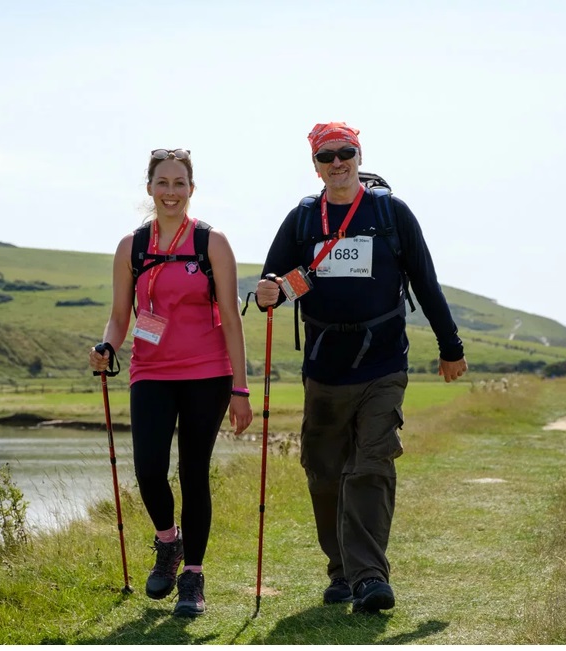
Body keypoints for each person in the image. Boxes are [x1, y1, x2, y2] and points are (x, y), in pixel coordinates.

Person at [253, 122, 468, 615]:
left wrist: (450, 347)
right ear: (315, 165)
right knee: (325, 472)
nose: (337, 162)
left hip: (383, 361)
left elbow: (427, 283)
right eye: (326, 156)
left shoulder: (390, 213)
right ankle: (341, 572)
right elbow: (273, 281)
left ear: (358, 154)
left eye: (344, 152)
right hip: (324, 365)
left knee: (372, 464)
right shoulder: (303, 219)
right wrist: (268, 292)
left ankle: (370, 577)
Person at [88, 147, 253, 617]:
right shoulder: (132, 247)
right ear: (149, 189)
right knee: (148, 470)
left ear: (191, 190)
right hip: (151, 372)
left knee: (193, 471)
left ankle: (193, 578)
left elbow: (233, 323)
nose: (171, 191)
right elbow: (120, 317)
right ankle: (168, 542)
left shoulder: (211, 243)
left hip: (208, 372)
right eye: (163, 182)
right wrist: (106, 347)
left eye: (180, 183)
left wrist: (241, 388)